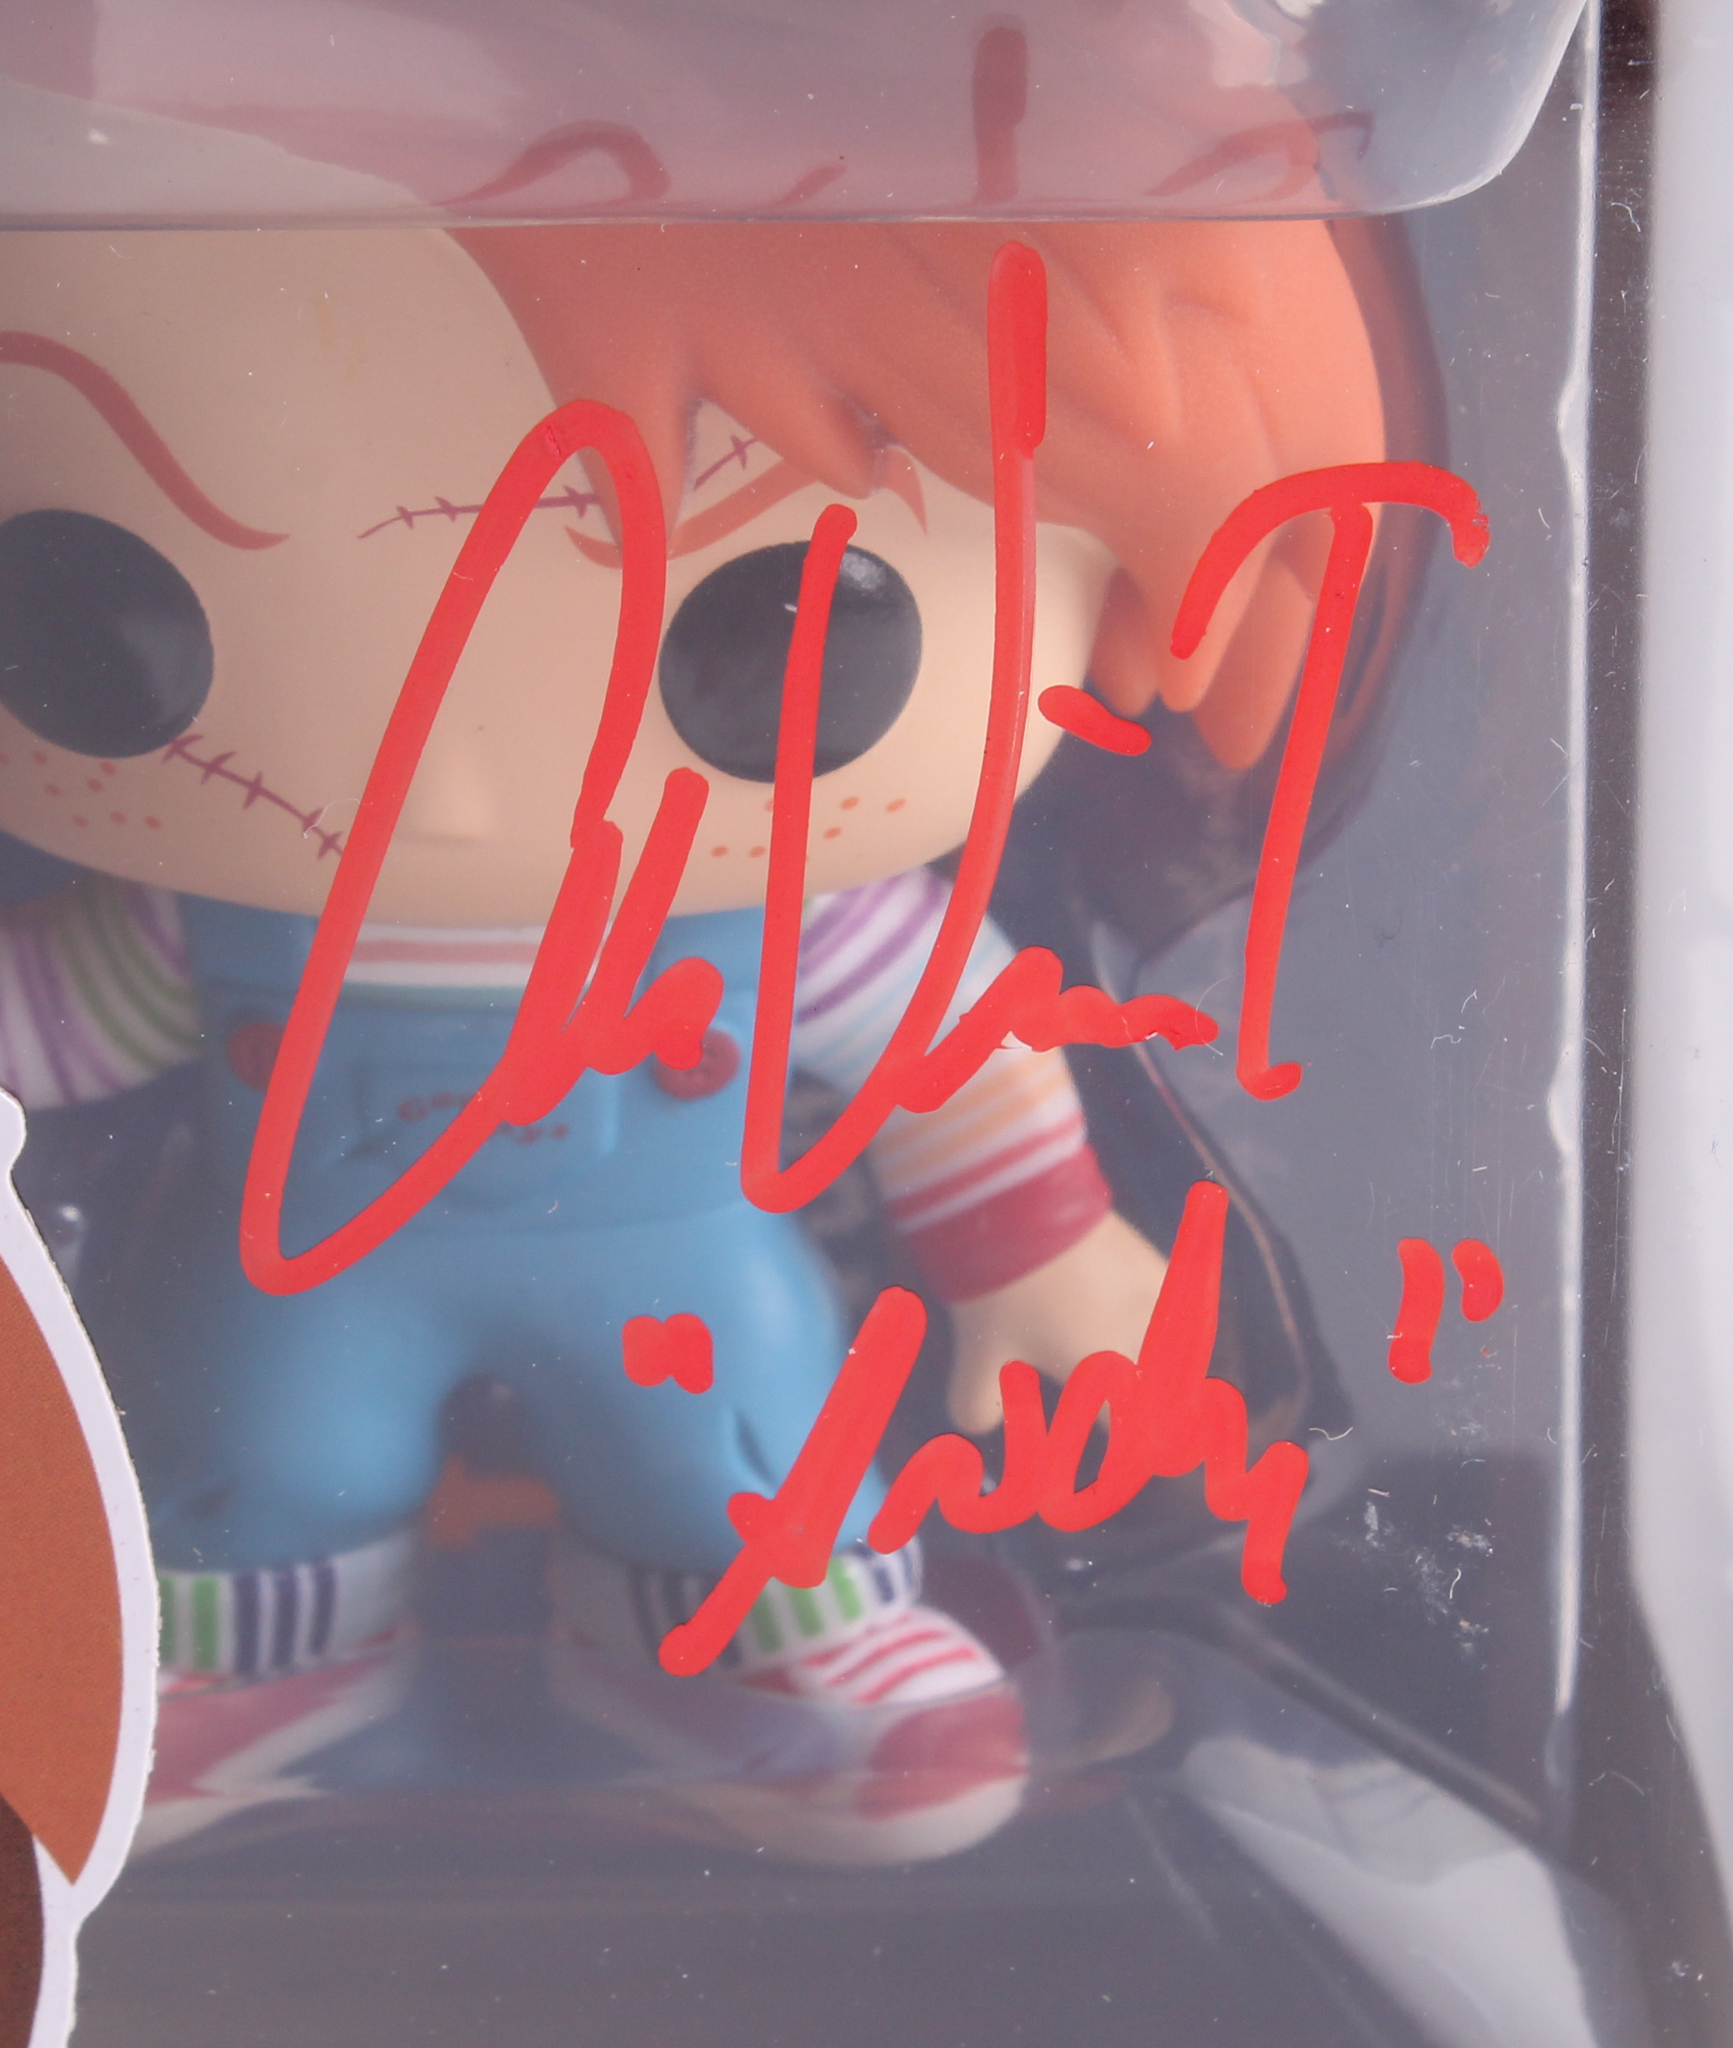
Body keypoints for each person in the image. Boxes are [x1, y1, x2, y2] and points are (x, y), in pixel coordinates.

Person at [0, 217, 1382, 1858]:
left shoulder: (788, 921)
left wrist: (1037, 1247)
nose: (454, 783)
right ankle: (239, 1652)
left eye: (785, 635)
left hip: (682, 1296)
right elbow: (42, 1032)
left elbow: (953, 1044)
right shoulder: (204, 924)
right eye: (107, 618)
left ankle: (758, 1636)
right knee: (257, 1451)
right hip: (293, 1292)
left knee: (739, 1461)